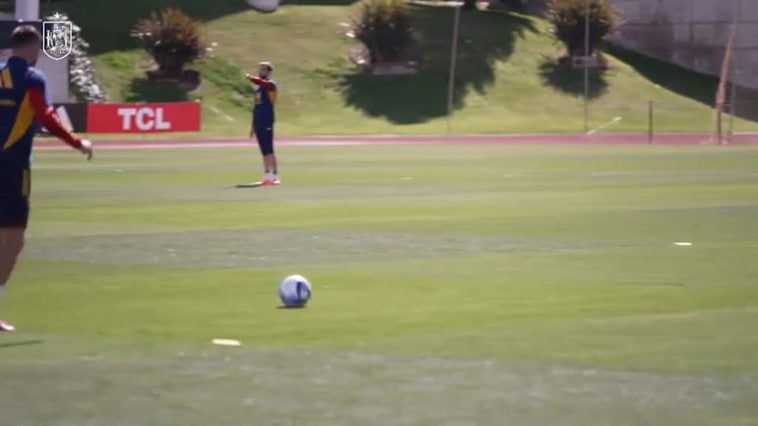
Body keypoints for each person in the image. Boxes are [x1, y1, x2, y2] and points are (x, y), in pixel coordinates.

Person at [0, 25, 93, 332]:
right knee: (13, 238)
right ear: (32, 48)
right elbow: (47, 118)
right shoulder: (32, 78)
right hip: (13, 168)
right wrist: (77, 143)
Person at [246, 61, 280, 185]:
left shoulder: (271, 85)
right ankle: (267, 175)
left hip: (267, 121)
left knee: (269, 149)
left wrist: (251, 78)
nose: (261, 71)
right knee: (263, 151)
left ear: (269, 72)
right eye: (260, 69)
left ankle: (275, 175)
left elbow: (263, 82)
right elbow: (256, 107)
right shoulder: (258, 88)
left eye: (264, 69)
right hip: (259, 121)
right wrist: (253, 125)